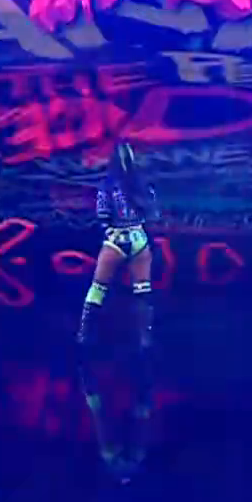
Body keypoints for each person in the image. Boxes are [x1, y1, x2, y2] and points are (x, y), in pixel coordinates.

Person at [77, 142, 158, 348]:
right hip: (139, 239)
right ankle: (145, 339)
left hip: (116, 240)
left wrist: (110, 230)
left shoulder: (107, 186)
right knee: (142, 290)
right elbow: (153, 213)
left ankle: (84, 336)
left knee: (98, 288)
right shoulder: (143, 185)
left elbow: (102, 214)